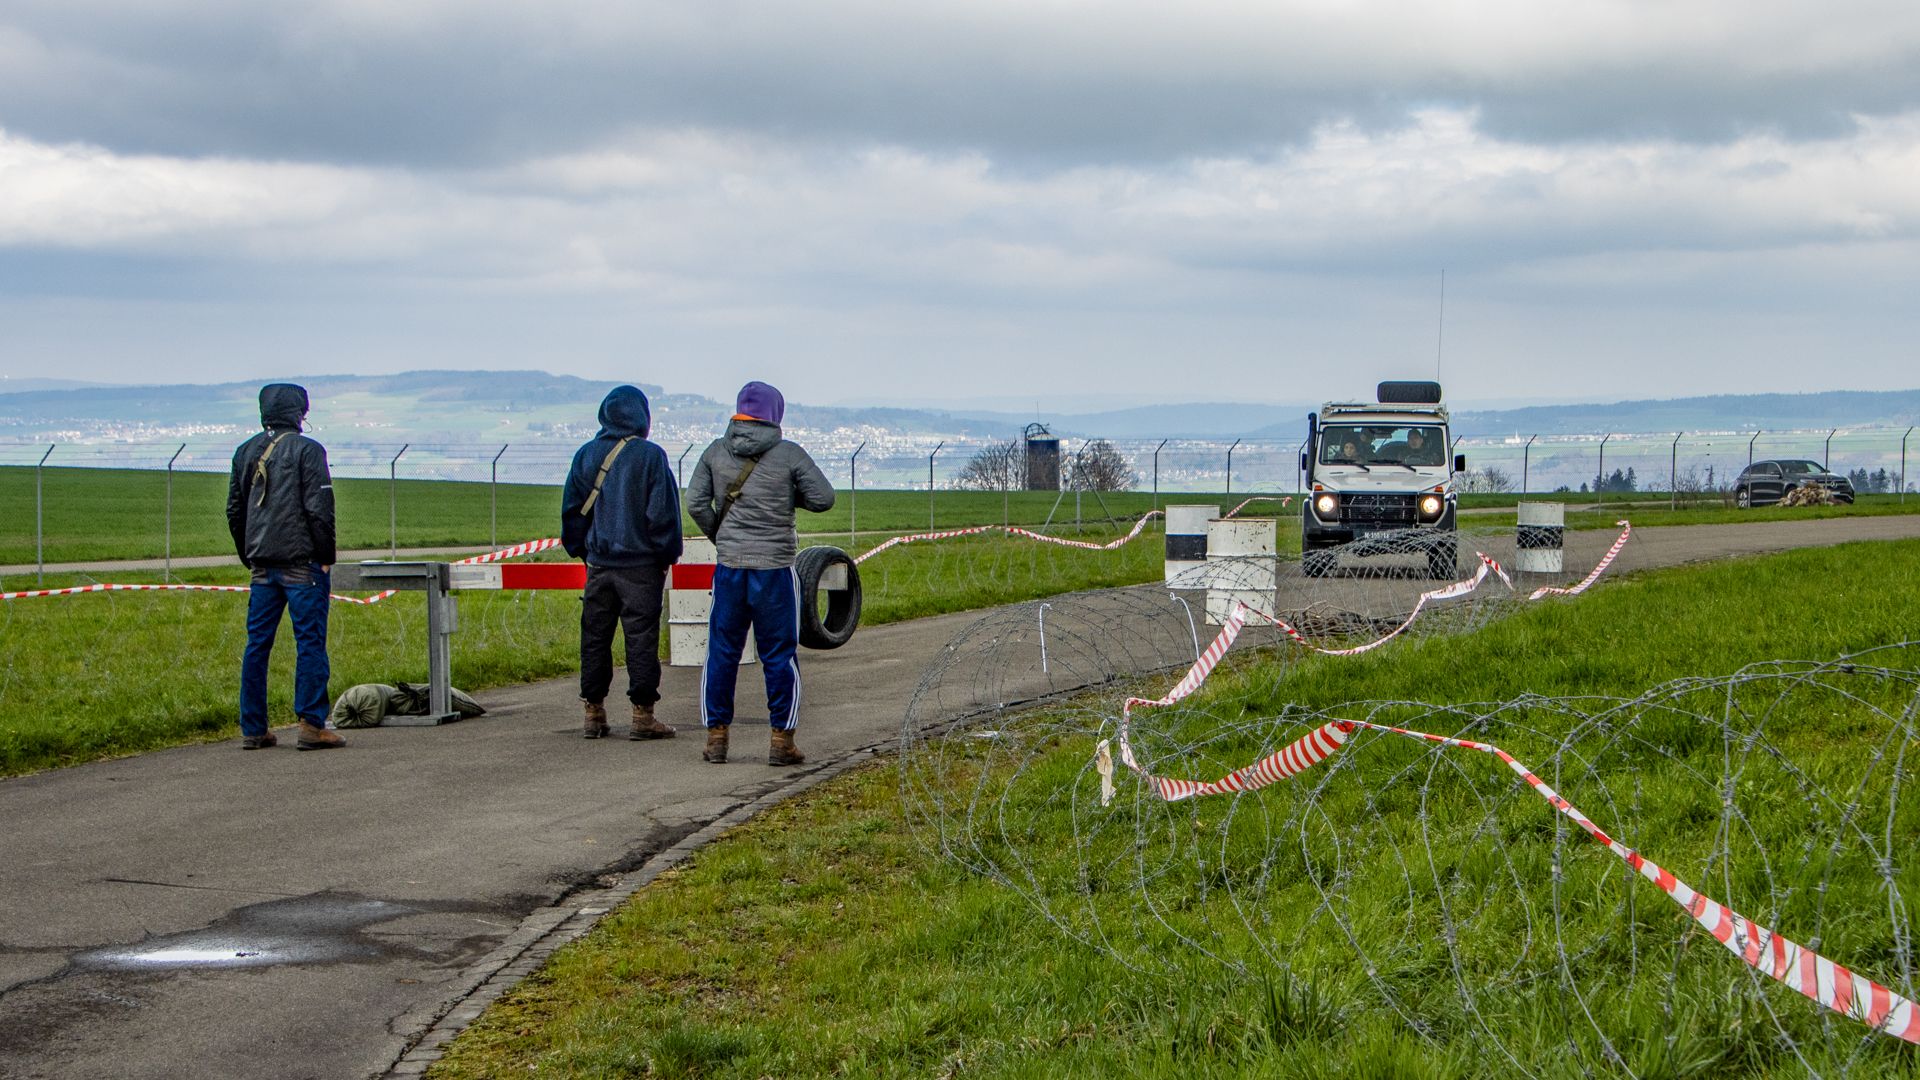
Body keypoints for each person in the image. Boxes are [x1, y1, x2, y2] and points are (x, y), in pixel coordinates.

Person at [686, 381, 835, 766]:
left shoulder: (715, 452)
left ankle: (716, 737)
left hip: (730, 567)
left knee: (721, 651)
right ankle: (781, 739)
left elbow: (695, 501)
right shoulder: (789, 455)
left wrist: (719, 535)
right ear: (776, 415)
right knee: (779, 654)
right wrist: (787, 496)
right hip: (775, 569)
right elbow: (824, 497)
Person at [561, 386, 684, 740]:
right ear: (642, 417)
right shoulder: (651, 457)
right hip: (642, 567)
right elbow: (662, 516)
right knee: (641, 639)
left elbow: (572, 514)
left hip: (599, 565)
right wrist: (665, 557)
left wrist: (586, 553)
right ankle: (643, 716)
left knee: (595, 638)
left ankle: (593, 712)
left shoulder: (585, 455)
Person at [226, 383, 342, 751]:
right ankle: (311, 723)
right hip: (302, 565)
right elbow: (319, 510)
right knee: (309, 642)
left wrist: (249, 554)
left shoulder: (245, 452)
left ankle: (254, 728)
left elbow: (234, 510)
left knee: (257, 645)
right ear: (300, 412)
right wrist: (326, 557)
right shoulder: (309, 451)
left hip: (261, 565)